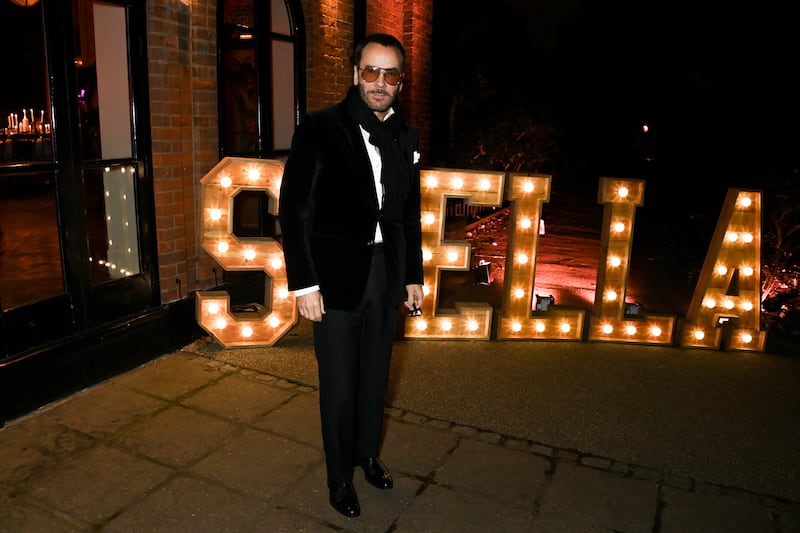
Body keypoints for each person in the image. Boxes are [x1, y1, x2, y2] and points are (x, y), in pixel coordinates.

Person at [278, 33, 424, 518]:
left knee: (375, 380)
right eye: (370, 71)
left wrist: (413, 275)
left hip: (386, 277)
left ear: (400, 81)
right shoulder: (321, 127)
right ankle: (339, 476)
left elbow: (410, 212)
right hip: (335, 281)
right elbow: (293, 211)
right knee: (339, 389)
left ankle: (366, 456)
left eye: (390, 74)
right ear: (353, 73)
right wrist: (304, 283)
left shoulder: (406, 134)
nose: (380, 83)